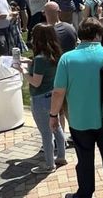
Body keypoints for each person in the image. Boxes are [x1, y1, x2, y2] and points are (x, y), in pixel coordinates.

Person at [50, 18, 103, 198]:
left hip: (79, 119)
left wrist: (53, 115)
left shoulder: (67, 59)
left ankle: (85, 193)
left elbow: (58, 92)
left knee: (84, 158)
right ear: (97, 34)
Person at [22, 24, 68, 174]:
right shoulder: (55, 54)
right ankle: (61, 156)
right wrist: (30, 63)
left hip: (40, 99)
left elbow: (36, 82)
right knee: (57, 127)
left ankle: (49, 165)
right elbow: (43, 68)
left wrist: (21, 71)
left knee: (46, 134)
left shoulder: (40, 58)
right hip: (53, 97)